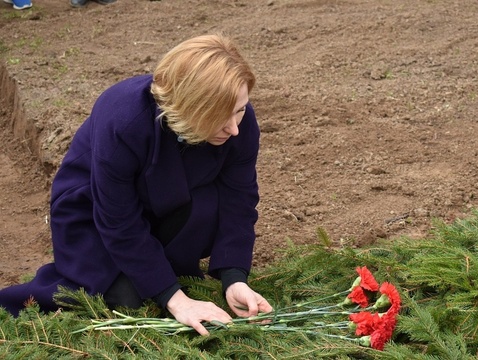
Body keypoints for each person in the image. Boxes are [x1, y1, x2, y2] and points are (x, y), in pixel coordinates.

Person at [0, 34, 273, 336]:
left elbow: (239, 199)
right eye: (221, 117)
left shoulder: (238, 120)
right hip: (94, 212)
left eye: (240, 110)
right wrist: (177, 300)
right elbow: (118, 219)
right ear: (191, 105)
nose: (235, 128)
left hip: (165, 200)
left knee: (205, 210)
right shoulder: (124, 117)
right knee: (127, 299)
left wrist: (235, 278)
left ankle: (159, 266)